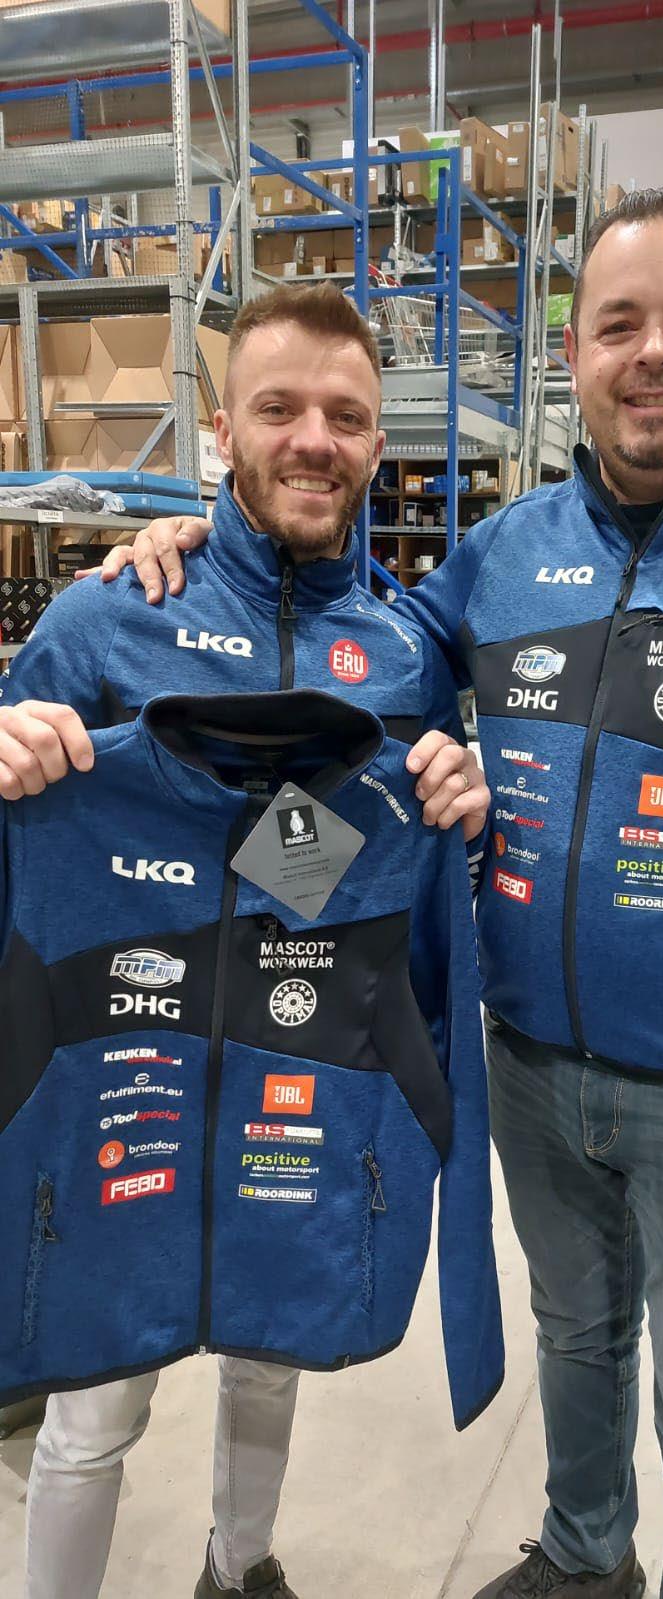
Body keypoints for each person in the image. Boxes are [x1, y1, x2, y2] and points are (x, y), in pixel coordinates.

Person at [13, 184, 663, 1599]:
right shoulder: (487, 557)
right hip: (499, 1073)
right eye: (619, 323)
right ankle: (584, 1562)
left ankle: (295, 1568)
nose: (652, 353)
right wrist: (156, 564)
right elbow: (311, 762)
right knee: (567, 1349)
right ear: (571, 353)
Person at [0, 283, 491, 1599]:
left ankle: (241, 1566)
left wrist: (453, 808)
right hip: (126, 1072)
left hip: (296, 1062)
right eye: (279, 408)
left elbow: (380, 869)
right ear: (224, 428)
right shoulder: (109, 614)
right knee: (95, 1406)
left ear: (377, 441)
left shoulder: (405, 651)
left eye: (346, 416)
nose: (312, 439)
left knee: (273, 1354)